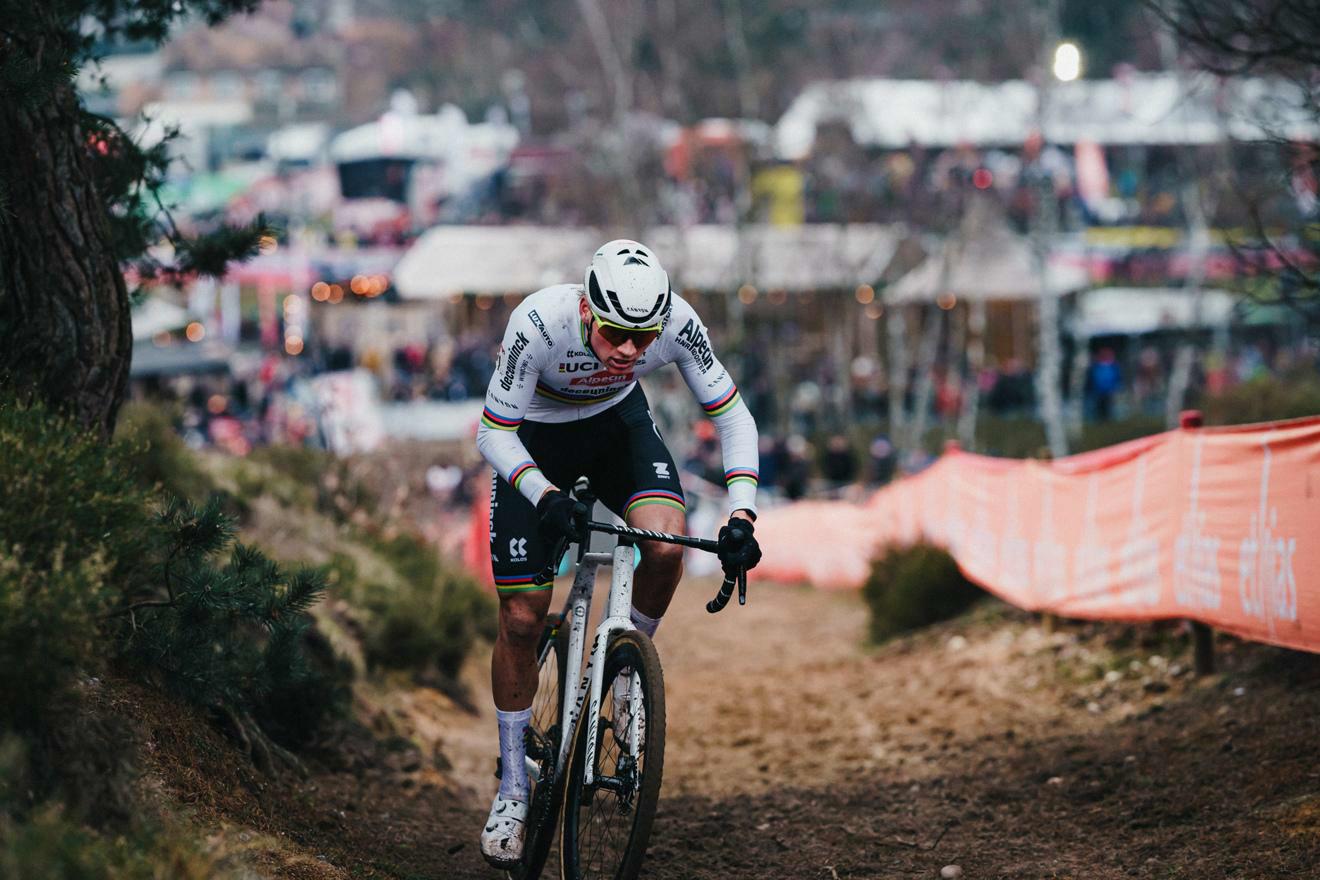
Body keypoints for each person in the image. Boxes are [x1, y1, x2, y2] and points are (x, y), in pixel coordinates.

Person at [473, 239, 763, 867]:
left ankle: (627, 673)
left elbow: (736, 417)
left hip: (615, 429)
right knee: (522, 617)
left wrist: (742, 513)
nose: (630, 350)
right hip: (533, 443)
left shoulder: (679, 322)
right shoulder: (539, 322)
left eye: (643, 337)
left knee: (663, 547)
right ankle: (515, 788)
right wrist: (545, 496)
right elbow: (492, 431)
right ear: (585, 309)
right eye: (614, 334)